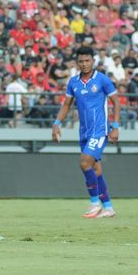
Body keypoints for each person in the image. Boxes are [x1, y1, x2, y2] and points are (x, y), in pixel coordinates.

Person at [52, 46, 120, 219]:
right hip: (84, 132)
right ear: (77, 62)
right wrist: (56, 123)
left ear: (93, 61)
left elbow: (116, 102)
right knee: (95, 169)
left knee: (84, 163)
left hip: (99, 130)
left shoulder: (103, 80)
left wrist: (116, 126)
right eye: (81, 61)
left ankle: (94, 203)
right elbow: (66, 105)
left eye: (87, 60)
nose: (84, 64)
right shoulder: (73, 82)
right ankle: (109, 207)